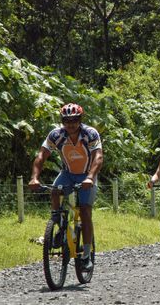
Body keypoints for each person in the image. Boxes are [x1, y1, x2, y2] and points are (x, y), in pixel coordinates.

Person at [28, 103, 103, 271]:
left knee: (84, 210)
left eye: (74, 120)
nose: (71, 124)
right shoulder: (56, 135)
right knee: (55, 191)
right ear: (62, 121)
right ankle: (58, 222)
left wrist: (90, 177)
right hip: (68, 173)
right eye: (67, 121)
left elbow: (98, 157)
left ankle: (86, 254)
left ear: (80, 120)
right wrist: (34, 178)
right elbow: (41, 155)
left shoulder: (90, 134)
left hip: (87, 175)